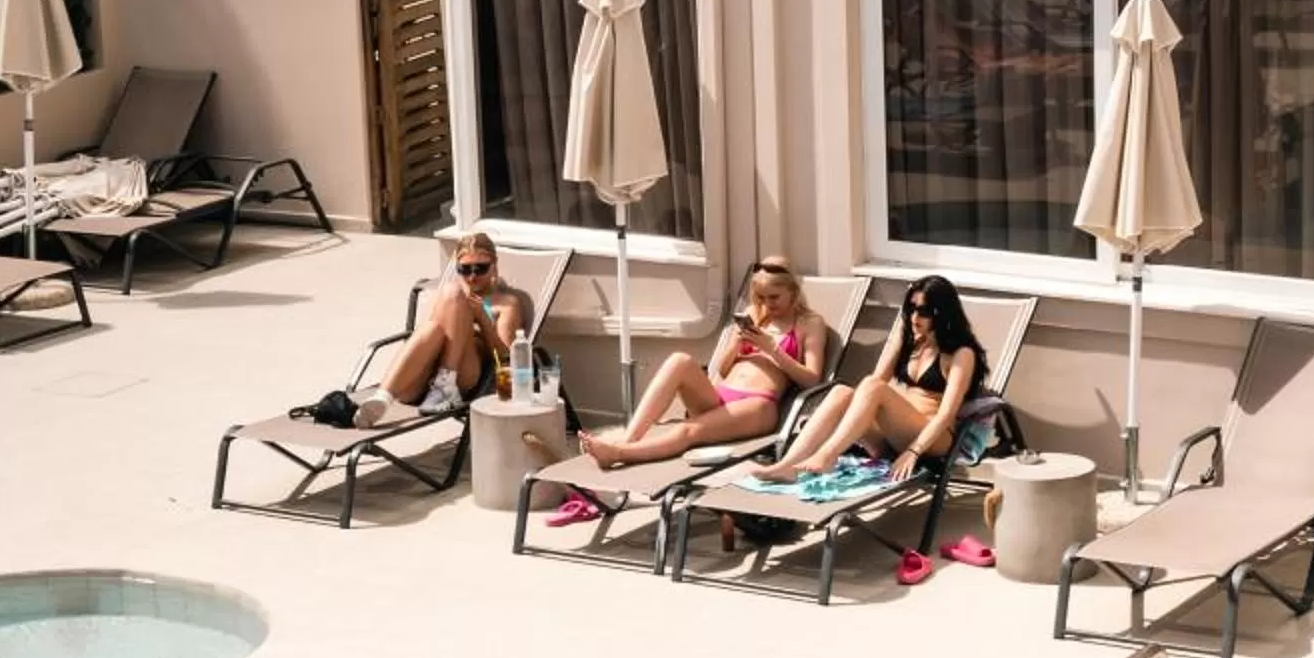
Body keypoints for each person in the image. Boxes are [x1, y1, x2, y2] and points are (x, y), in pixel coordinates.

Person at [574, 256, 830, 472]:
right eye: (760, 297)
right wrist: (735, 347)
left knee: (689, 431)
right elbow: (724, 370)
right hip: (721, 396)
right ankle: (630, 439)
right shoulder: (755, 314)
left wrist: (772, 349)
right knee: (679, 361)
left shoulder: (809, 324)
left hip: (758, 406)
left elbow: (812, 379)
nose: (766, 304)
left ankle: (618, 453)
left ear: (793, 291)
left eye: (774, 297)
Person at [747, 273, 988, 489]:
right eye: (911, 309)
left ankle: (828, 455)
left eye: (924, 311)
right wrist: (899, 340)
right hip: (893, 436)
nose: (915, 317)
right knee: (842, 391)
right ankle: (788, 465)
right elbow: (873, 384)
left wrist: (914, 451)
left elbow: (946, 415)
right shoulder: (909, 339)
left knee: (874, 387)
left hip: (933, 439)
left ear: (942, 312)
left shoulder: (960, 354)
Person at [366, 231, 532, 419]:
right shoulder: (447, 295)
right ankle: (382, 398)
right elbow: (427, 336)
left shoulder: (506, 303)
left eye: (481, 268)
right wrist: (458, 302)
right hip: (422, 378)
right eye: (465, 269)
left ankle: (446, 384)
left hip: (464, 375)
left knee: (451, 293)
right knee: (435, 322)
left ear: (494, 266)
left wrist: (482, 318)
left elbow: (504, 356)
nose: (472, 276)